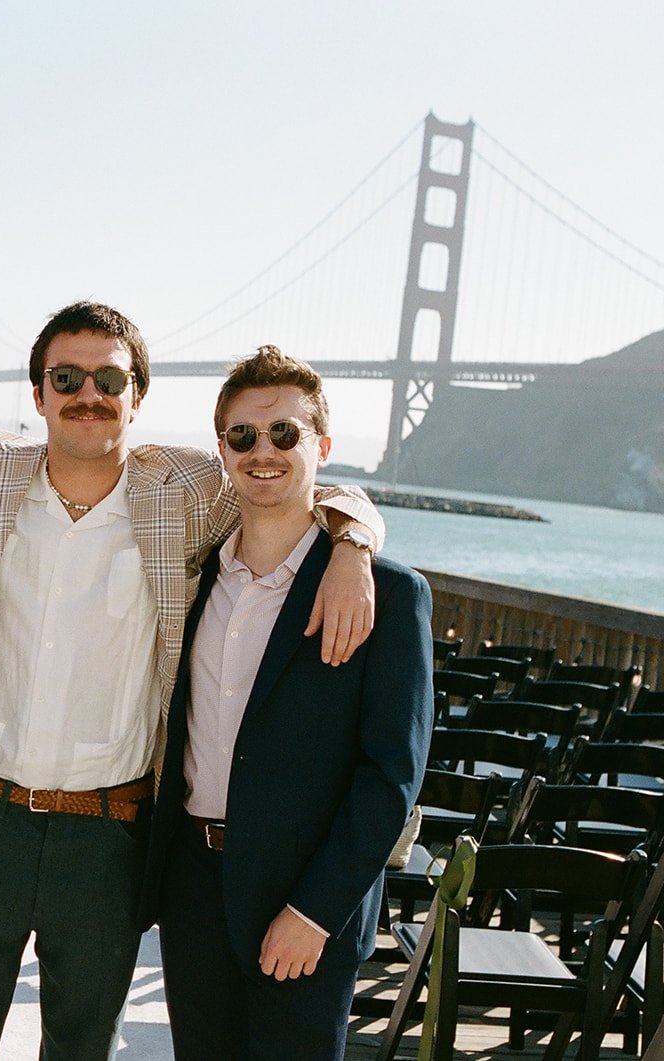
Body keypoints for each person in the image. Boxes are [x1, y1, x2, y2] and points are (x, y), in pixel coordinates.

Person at [0, 305, 384, 1061]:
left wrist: (354, 540)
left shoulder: (186, 492)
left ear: (137, 397)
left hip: (109, 839)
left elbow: (294, 481)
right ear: (38, 395)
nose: (87, 394)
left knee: (83, 1051)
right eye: (66, 378)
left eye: (109, 380)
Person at [139, 345, 433, 1061]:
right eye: (242, 435)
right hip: (194, 891)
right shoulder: (193, 576)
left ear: (323, 447)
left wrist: (315, 912)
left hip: (304, 907)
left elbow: (392, 774)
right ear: (222, 449)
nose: (262, 451)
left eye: (285, 433)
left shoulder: (390, 596)